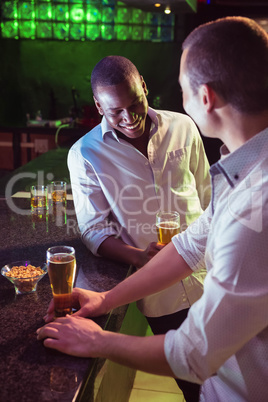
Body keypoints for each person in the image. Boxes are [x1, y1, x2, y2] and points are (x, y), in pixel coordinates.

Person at [37, 16, 268, 401]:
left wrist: (99, 341)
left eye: (182, 87)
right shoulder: (241, 174)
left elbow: (195, 354)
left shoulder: (254, 208)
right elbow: (190, 245)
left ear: (205, 97)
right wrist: (106, 299)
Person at [67, 56, 211, 400]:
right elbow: (93, 230)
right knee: (192, 383)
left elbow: (206, 194)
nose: (129, 118)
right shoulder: (85, 153)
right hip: (160, 291)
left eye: (135, 104)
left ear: (144, 87)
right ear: (98, 106)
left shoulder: (184, 126)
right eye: (115, 111)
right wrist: (139, 257)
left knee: (233, 371)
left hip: (212, 270)